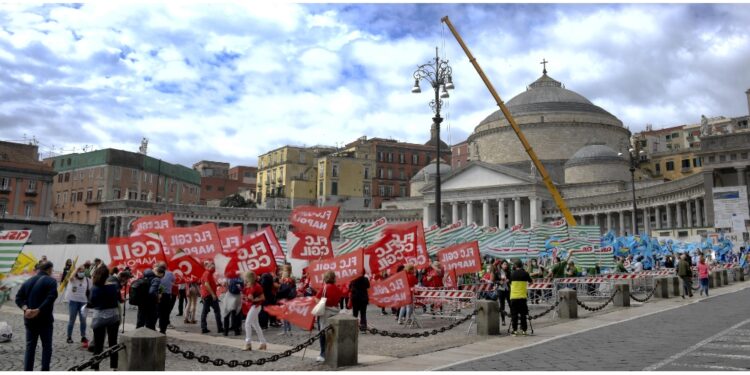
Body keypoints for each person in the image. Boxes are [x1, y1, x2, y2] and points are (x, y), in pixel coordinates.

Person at [16, 261, 58, 371]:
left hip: (30, 320)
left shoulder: (28, 281)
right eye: (52, 270)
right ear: (49, 269)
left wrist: (26, 309)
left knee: (30, 347)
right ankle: (45, 370)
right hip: (45, 320)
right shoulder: (51, 281)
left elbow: (18, 298)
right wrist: (39, 310)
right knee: (46, 347)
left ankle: (28, 370)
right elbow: (51, 298)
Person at [89, 266, 121, 371]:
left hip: (99, 316)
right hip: (113, 315)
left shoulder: (94, 288)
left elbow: (91, 303)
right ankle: (114, 367)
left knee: (98, 343)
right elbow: (118, 299)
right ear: (108, 275)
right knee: (113, 342)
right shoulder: (113, 286)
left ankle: (96, 367)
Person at [315, 271, 343, 362]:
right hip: (335, 311)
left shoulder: (324, 288)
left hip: (325, 312)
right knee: (333, 333)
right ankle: (333, 352)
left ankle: (323, 353)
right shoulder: (337, 289)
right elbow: (339, 299)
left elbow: (316, 299)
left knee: (322, 333)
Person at [64, 265, 89, 346]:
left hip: (83, 302)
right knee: (72, 320)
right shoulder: (73, 279)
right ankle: (69, 337)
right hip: (73, 301)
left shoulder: (87, 280)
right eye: (80, 271)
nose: (81, 272)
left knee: (83, 320)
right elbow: (70, 277)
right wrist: (76, 269)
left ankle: (83, 336)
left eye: (83, 271)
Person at [242, 271, 266, 351]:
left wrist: (255, 299)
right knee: (256, 325)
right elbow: (245, 295)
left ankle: (248, 343)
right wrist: (245, 297)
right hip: (250, 306)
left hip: (256, 306)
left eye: (245, 277)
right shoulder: (247, 285)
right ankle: (263, 343)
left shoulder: (257, 286)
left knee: (247, 323)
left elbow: (263, 297)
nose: (244, 278)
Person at [509, 259, 533, 336]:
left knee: (514, 314)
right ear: (522, 265)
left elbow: (509, 282)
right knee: (523, 314)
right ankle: (524, 330)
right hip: (522, 296)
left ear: (515, 266)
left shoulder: (512, 274)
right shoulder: (525, 274)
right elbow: (531, 282)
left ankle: (515, 330)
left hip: (514, 296)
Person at [200, 262, 223, 334]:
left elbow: (206, 284)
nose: (214, 269)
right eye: (213, 267)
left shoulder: (208, 273)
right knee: (216, 311)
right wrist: (213, 294)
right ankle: (219, 328)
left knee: (205, 312)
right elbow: (206, 284)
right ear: (209, 267)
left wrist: (217, 285)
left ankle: (204, 328)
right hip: (209, 295)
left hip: (207, 295)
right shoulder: (207, 273)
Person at [155, 263, 176, 334]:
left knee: (157, 313)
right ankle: (163, 330)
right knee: (165, 314)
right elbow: (174, 280)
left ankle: (152, 328)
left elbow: (161, 285)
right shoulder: (170, 274)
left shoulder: (156, 274)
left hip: (159, 295)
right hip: (166, 296)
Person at [277, 267, 297, 335]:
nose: (281, 272)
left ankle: (286, 331)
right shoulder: (290, 280)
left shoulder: (286, 280)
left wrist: (279, 292)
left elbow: (285, 290)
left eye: (282, 271)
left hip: (286, 298)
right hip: (288, 298)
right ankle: (288, 330)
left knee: (284, 315)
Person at [493, 260, 511, 326]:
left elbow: (511, 279)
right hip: (501, 290)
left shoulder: (508, 272)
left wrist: (509, 280)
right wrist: (499, 282)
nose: (505, 266)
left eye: (506, 264)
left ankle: (512, 317)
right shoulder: (497, 272)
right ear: (501, 265)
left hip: (507, 289)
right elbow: (494, 280)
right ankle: (503, 320)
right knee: (502, 305)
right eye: (504, 264)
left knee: (510, 303)